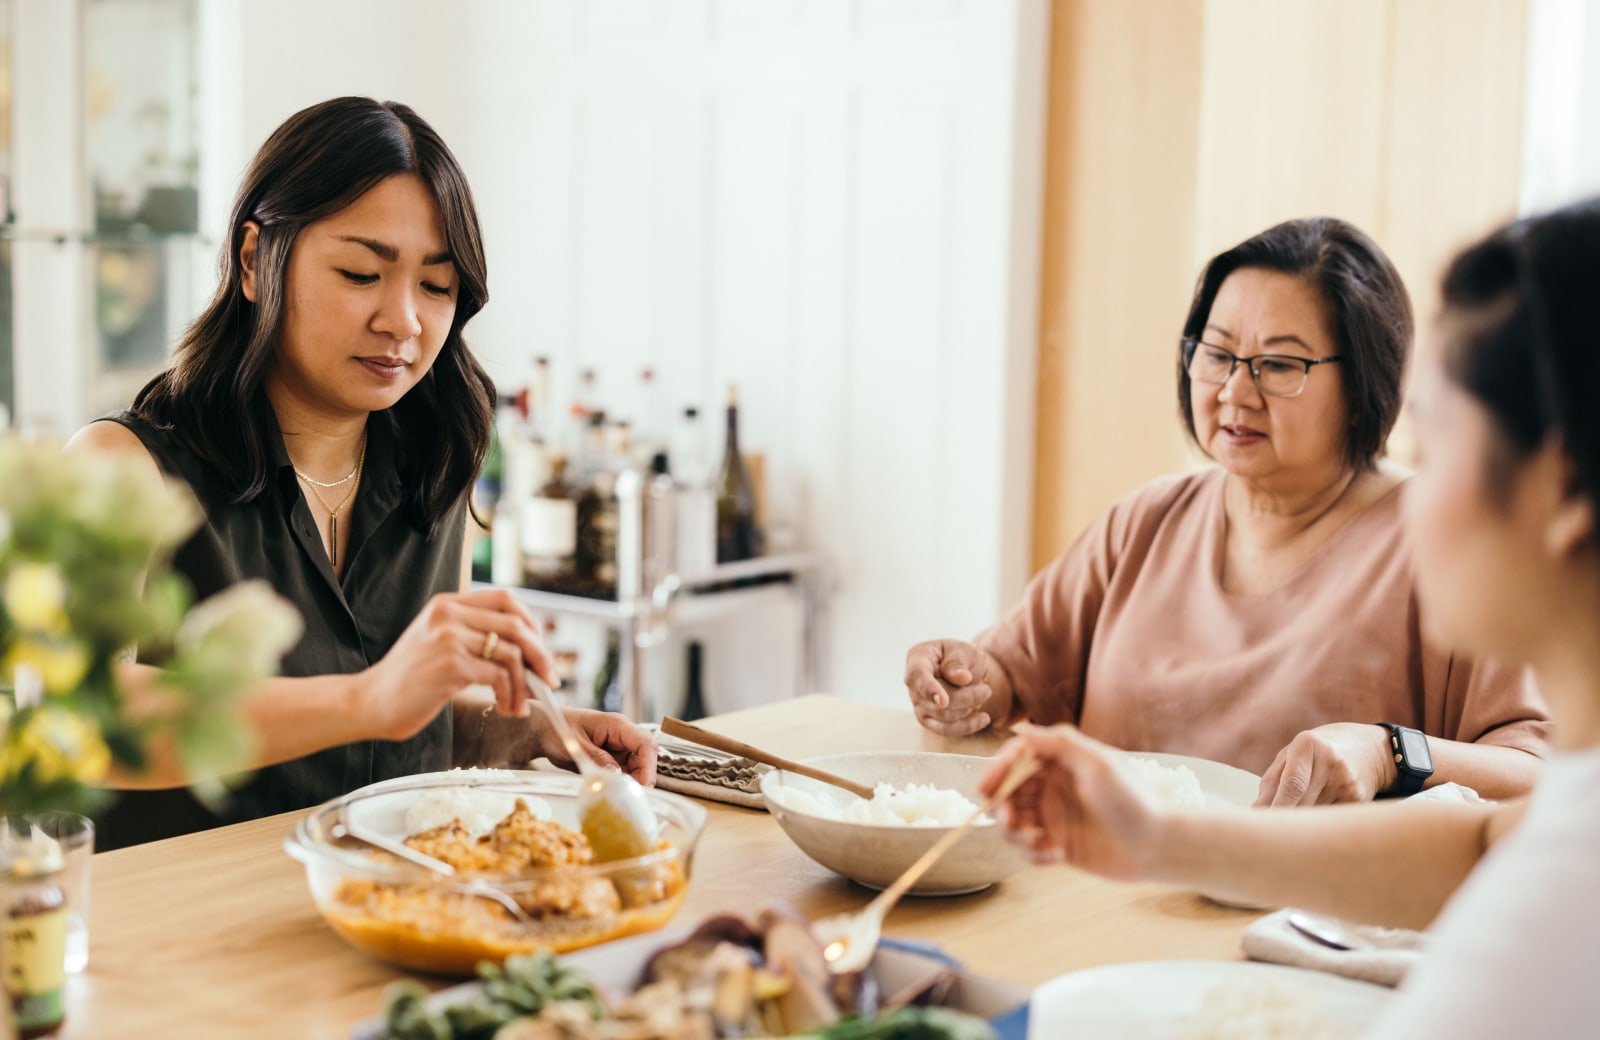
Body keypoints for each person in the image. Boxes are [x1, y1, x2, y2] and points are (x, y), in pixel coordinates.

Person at [982, 200, 1600, 1036]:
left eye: (1436, 440)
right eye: (1219, 354)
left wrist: (1386, 752)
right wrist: (1158, 839)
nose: (1409, 501)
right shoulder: (1570, 817)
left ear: (1560, 488)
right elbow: (1478, 850)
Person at [67, 97, 654, 848]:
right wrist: (370, 696)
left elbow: (391, 730)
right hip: (181, 940)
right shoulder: (120, 468)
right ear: (254, 260)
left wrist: (530, 732)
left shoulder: (435, 465)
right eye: (359, 272)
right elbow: (86, 717)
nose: (403, 320)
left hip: (379, 920)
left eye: (436, 287)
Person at [907, 217, 1549, 803]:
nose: (1235, 391)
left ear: (1362, 384)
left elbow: (1545, 771)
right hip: (1100, 900)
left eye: (1278, 364)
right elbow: (1011, 673)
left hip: (1304, 918)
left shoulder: (1443, 537)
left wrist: (1389, 754)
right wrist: (963, 683)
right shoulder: (1148, 520)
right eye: (1216, 355)